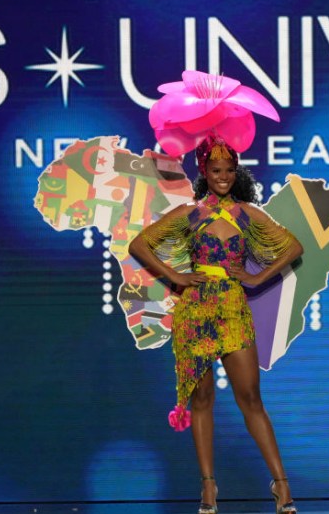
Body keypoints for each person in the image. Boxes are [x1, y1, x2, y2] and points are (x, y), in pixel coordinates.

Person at [129, 134, 303, 514]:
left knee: (251, 399)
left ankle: (281, 485)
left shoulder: (247, 214)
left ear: (235, 172)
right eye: (215, 170)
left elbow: (294, 247)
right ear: (203, 172)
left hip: (233, 311)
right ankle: (208, 488)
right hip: (195, 314)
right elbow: (140, 245)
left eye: (228, 170)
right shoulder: (191, 214)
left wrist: (257, 278)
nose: (223, 177)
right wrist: (175, 278)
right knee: (202, 399)